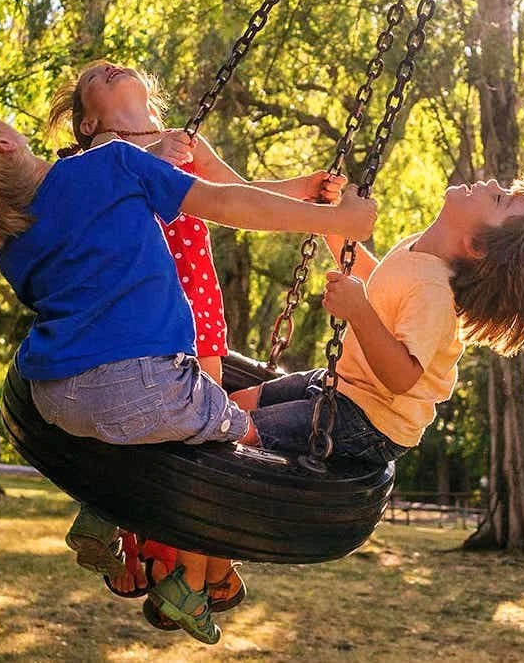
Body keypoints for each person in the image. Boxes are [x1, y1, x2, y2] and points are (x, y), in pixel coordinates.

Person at [0, 110, 377, 644]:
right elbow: (227, 202)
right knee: (243, 438)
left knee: (132, 433)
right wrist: (333, 221)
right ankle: (185, 582)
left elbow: (86, 226)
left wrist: (152, 163)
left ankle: (102, 511)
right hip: (146, 381)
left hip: (54, 395)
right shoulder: (113, 163)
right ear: (3, 143)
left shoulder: (11, 244)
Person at [46, 60, 339, 620]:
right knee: (139, 423)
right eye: (94, 78)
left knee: (198, 442)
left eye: (114, 67)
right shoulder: (95, 159)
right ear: (87, 121)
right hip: (136, 318)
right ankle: (122, 530)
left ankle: (184, 569)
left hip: (198, 314)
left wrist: (306, 194)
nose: (108, 67)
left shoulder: (185, 142)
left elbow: (237, 195)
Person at [229, 178, 524, 473]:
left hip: (371, 420)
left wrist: (359, 311)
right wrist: (334, 225)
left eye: (498, 200)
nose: (492, 185)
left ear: (476, 244)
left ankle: (205, 565)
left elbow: (402, 376)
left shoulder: (434, 294)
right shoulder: (420, 251)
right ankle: (214, 571)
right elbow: (381, 284)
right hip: (345, 386)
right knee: (235, 404)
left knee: (235, 428)